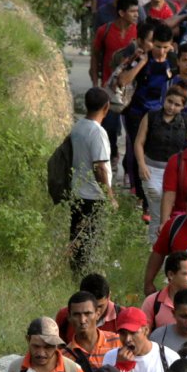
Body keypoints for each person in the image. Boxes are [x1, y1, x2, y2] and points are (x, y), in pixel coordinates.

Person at [70, 86, 115, 269]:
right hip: (93, 196)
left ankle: (75, 273)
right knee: (89, 243)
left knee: (77, 239)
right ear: (106, 107)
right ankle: (83, 274)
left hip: (77, 191)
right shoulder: (97, 132)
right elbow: (100, 167)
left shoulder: (78, 126)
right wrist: (110, 196)